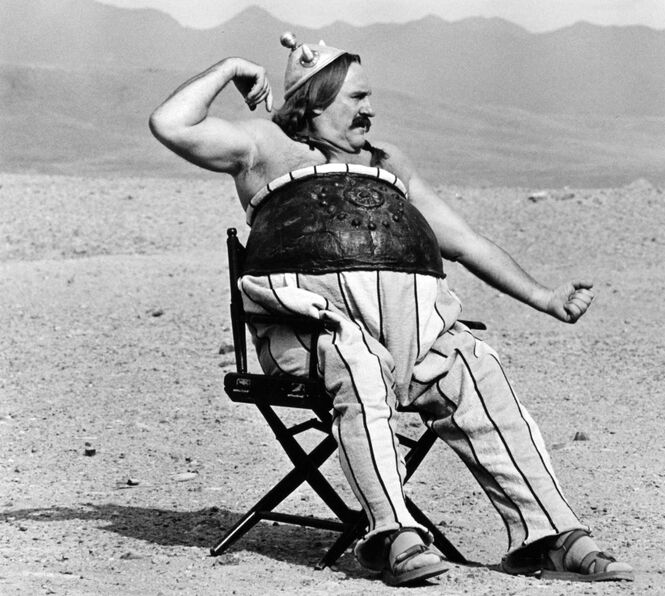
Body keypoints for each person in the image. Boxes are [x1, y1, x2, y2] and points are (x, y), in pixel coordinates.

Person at [149, 32, 633, 586]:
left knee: (474, 364)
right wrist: (232, 66)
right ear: (314, 102)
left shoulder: (387, 162)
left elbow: (464, 242)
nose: (370, 109)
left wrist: (545, 298)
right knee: (356, 359)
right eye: (357, 97)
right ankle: (395, 535)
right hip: (309, 333)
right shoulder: (263, 146)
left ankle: (552, 536)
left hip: (406, 335)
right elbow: (170, 124)